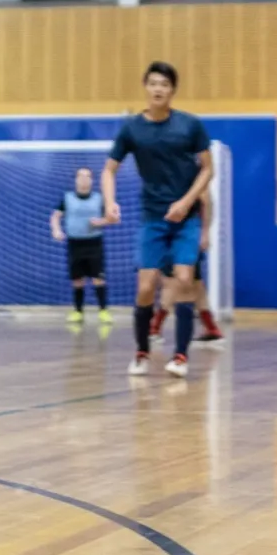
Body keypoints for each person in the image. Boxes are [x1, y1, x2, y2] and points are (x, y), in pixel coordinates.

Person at [103, 61, 211, 379]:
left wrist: (186, 202)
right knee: (146, 287)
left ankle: (180, 356)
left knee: (184, 279)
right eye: (152, 83)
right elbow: (109, 170)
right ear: (146, 87)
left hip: (186, 218)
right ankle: (141, 352)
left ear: (173, 90)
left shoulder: (190, 126)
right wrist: (110, 202)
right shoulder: (132, 129)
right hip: (153, 218)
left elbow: (208, 168)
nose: (158, 89)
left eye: (164, 84)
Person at [150, 192, 224, 345]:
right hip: (172, 233)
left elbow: (207, 200)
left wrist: (205, 232)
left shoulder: (193, 174)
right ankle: (211, 328)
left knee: (172, 281)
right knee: (195, 284)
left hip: (184, 236)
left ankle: (155, 327)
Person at [50, 167, 110, 325]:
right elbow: (55, 216)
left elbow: (113, 218)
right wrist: (56, 229)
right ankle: (78, 312)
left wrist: (101, 222)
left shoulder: (99, 198)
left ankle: (103, 311)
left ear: (92, 180)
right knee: (77, 280)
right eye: (81, 176)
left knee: (98, 279)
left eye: (87, 176)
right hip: (74, 244)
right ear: (76, 180)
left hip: (94, 243)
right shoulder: (67, 198)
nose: (84, 179)